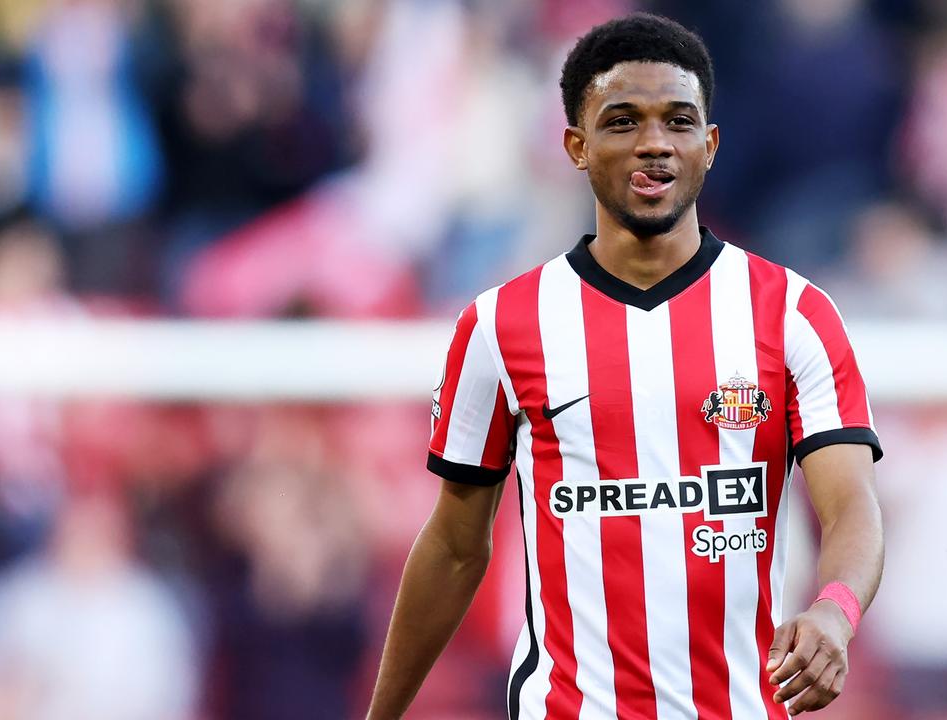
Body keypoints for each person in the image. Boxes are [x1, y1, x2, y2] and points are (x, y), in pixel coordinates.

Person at [366, 13, 884, 719]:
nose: (654, 144)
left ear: (710, 144)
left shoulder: (794, 314)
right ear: (576, 147)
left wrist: (835, 610)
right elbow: (456, 546)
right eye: (622, 121)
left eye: (678, 121)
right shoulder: (500, 326)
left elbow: (852, 502)